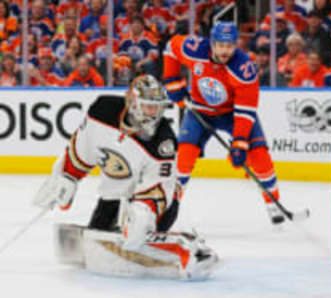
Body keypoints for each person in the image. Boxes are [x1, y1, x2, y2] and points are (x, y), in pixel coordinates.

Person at [33, 75, 218, 279]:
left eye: (157, 107)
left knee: (136, 232)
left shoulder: (163, 140)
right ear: (133, 102)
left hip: (158, 203)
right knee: (100, 238)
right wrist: (68, 175)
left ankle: (185, 249)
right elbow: (83, 147)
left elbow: (161, 187)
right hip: (114, 193)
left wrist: (143, 213)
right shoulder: (102, 111)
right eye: (148, 106)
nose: (154, 113)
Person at [163, 21, 286, 225]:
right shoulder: (195, 49)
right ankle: (171, 204)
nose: (224, 50)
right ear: (212, 43)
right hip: (199, 111)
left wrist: (239, 142)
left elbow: (245, 110)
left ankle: (272, 202)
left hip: (233, 114)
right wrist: (172, 81)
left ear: (236, 44)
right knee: (183, 157)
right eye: (220, 45)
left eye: (229, 46)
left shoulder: (244, 68)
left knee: (259, 156)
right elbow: (171, 47)